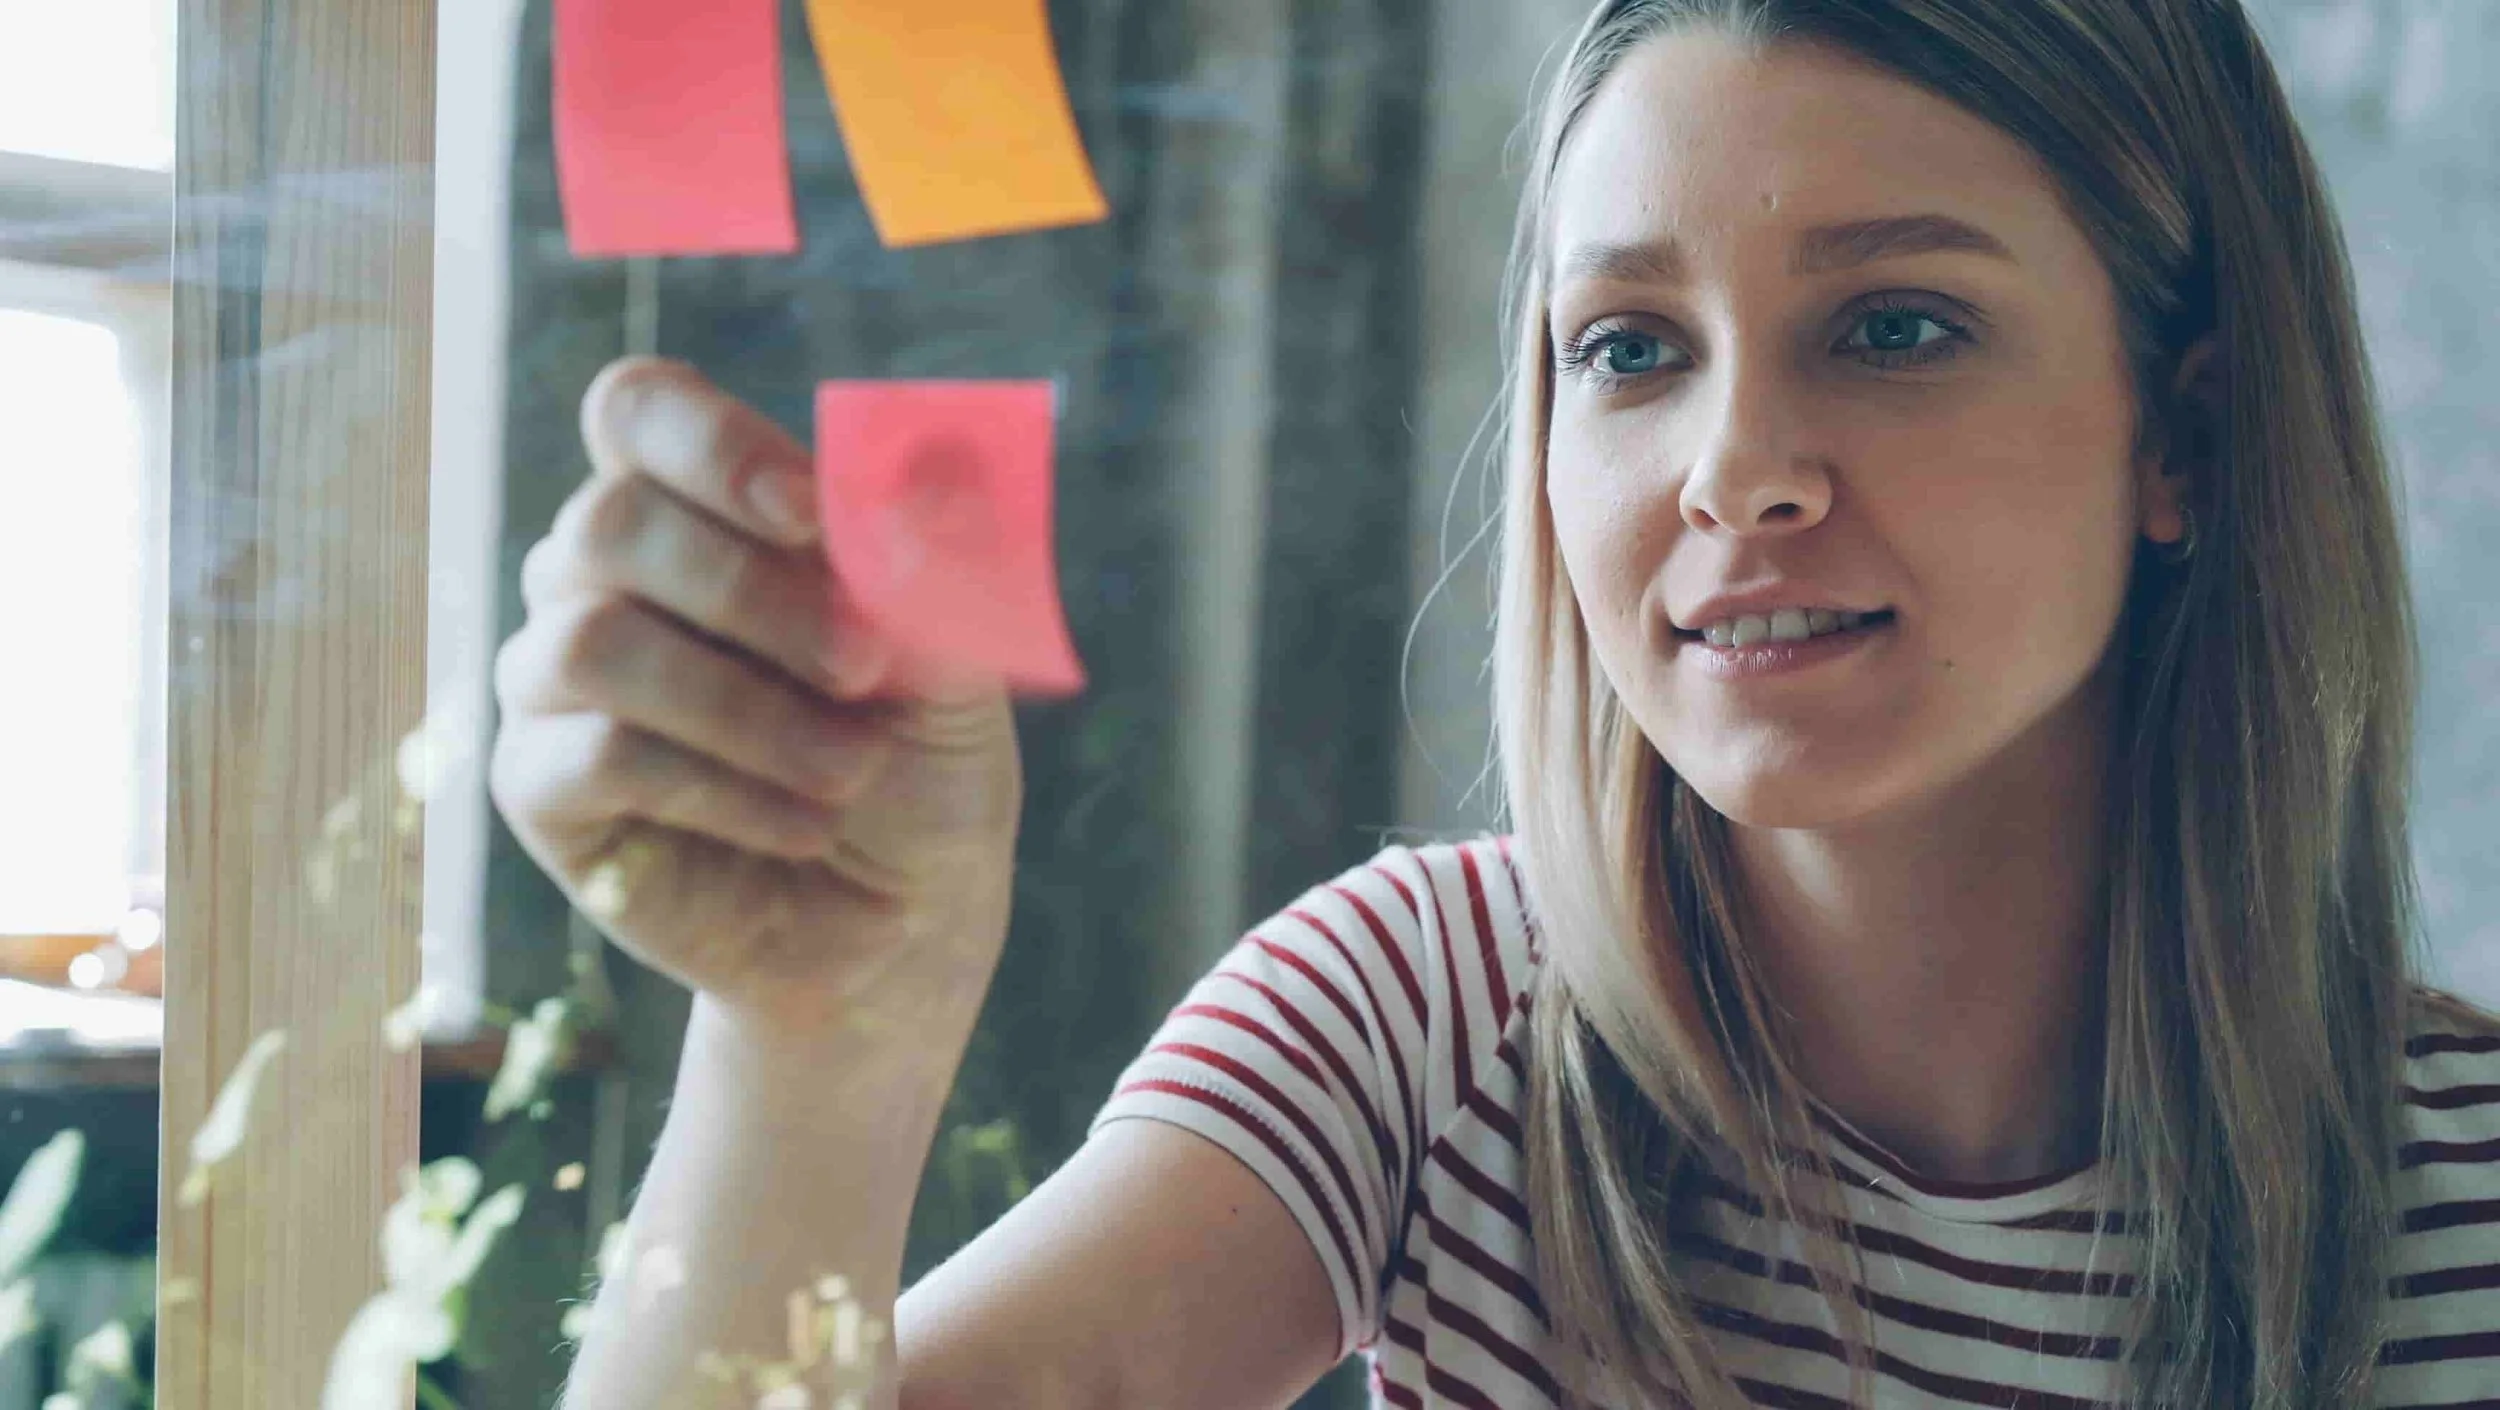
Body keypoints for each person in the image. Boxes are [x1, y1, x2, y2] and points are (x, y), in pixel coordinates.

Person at [490, 0, 2500, 1405]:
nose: (1733, 471)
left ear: (2194, 443)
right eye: (1627, 350)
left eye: (1895, 328)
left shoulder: (2463, 1191)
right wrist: (812, 1039)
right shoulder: (1424, 1015)